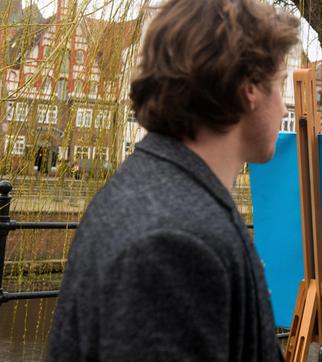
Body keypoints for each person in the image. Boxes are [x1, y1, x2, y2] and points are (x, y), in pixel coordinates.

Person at [47, 0, 299, 360]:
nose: (284, 108)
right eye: (280, 85)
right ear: (250, 88)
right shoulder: (173, 243)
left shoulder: (154, 193)